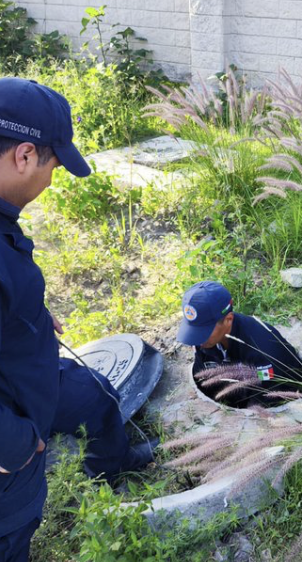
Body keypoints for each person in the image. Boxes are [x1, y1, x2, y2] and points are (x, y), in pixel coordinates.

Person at [0, 77, 154, 562]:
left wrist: (30, 314)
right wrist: (16, 447)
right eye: (53, 164)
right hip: (12, 432)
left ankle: (113, 466)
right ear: (24, 155)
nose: (51, 179)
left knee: (97, 396)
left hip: (28, 368)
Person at [177, 281, 302, 409]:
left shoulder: (263, 352)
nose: (198, 339)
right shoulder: (206, 340)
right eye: (195, 331)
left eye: (204, 330)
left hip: (275, 394)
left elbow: (263, 405)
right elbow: (203, 375)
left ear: (228, 320)